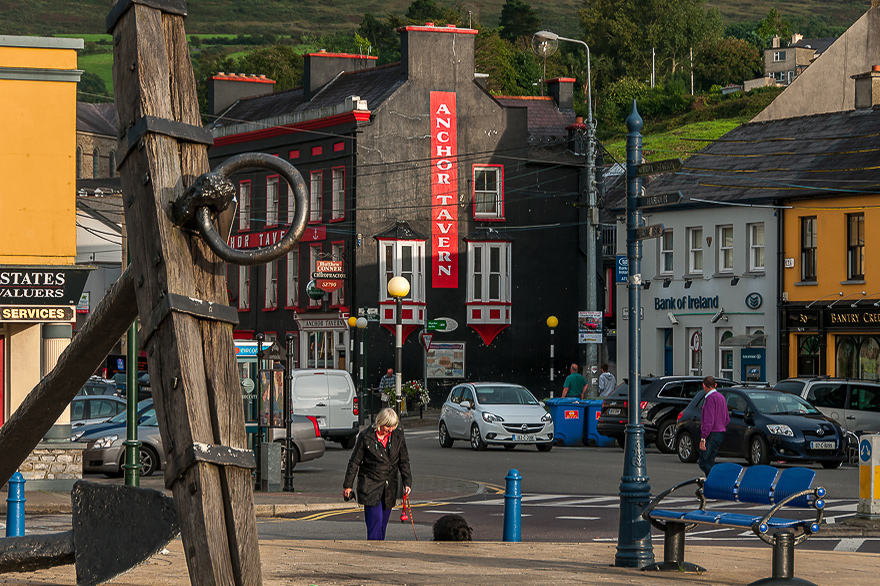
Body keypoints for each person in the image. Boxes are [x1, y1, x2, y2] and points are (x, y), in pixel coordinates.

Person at [343, 408, 413, 540]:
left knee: (382, 525)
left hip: (389, 486)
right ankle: (374, 552)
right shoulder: (366, 436)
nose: (390, 430)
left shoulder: (398, 437)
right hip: (370, 484)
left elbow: (404, 461)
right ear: (380, 422)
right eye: (388, 426)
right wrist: (348, 485)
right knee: (376, 522)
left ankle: (378, 549)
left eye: (393, 426)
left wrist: (407, 482)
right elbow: (354, 462)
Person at [698, 376, 729, 476]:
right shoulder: (722, 397)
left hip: (711, 433)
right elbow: (727, 419)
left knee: (703, 462)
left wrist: (703, 437)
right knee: (711, 459)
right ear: (715, 385)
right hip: (721, 432)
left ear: (704, 385)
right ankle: (709, 483)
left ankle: (716, 477)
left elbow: (709, 420)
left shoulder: (710, 399)